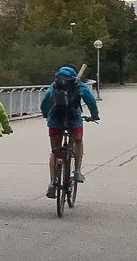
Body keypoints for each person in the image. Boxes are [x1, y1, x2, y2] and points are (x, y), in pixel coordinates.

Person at [41, 64, 99, 198]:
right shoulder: (78, 85)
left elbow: (45, 101)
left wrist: (46, 114)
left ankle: (53, 182)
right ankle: (77, 171)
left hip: (55, 120)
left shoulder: (54, 86)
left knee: (55, 151)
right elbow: (91, 101)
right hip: (74, 120)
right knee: (78, 141)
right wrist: (94, 115)